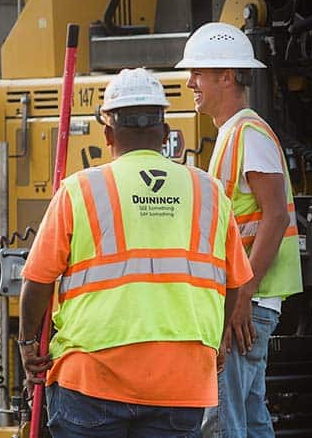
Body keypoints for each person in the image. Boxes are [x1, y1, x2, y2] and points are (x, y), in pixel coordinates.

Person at [18, 68, 253, 438]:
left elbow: (37, 280)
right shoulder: (208, 192)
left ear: (108, 133)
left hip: (92, 378)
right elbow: (233, 283)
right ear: (164, 133)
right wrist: (217, 340)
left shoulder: (79, 190)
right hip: (183, 379)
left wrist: (28, 343)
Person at [178, 23, 303, 438]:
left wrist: (242, 296)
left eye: (198, 72)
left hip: (246, 303)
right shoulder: (235, 135)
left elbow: (276, 217)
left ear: (227, 76)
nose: (190, 82)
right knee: (248, 418)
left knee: (221, 420)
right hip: (246, 301)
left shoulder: (249, 134)